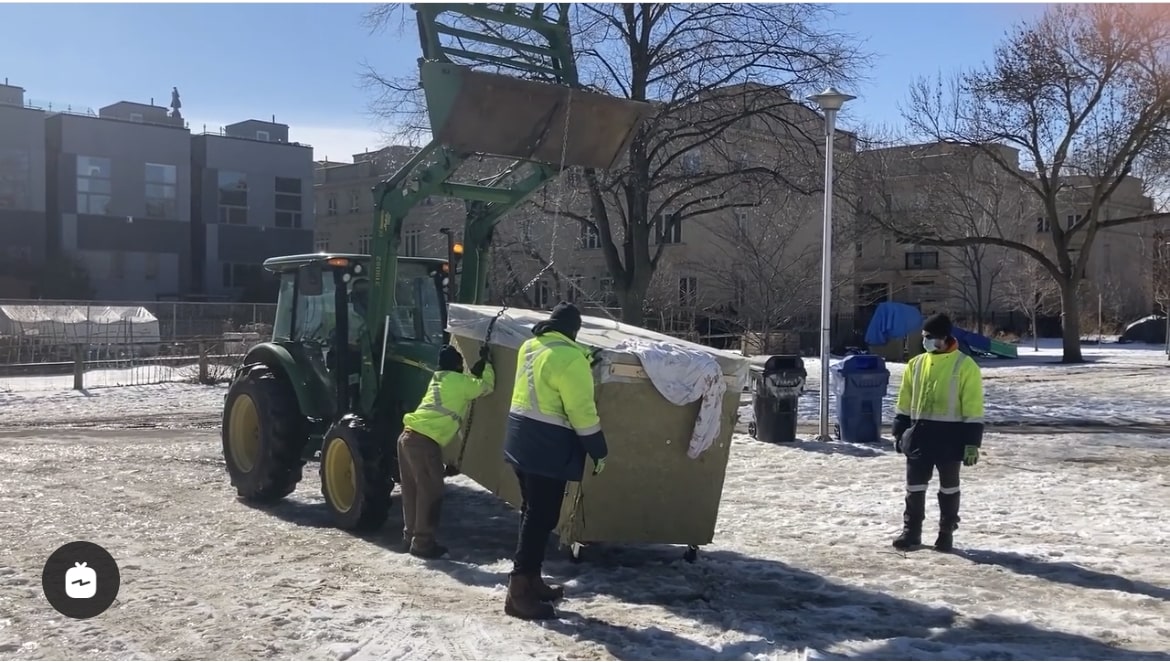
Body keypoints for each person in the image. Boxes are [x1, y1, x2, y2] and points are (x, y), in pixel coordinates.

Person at [502, 301, 608, 620]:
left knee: (533, 513)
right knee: (541, 516)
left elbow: (546, 380)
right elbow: (582, 413)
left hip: (520, 440)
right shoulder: (571, 358)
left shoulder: (530, 346)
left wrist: (580, 362)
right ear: (575, 332)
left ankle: (531, 579)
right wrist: (598, 450)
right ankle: (519, 591)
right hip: (547, 446)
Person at [891, 312, 985, 552]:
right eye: (924, 336)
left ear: (944, 338)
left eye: (929, 337)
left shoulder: (965, 366)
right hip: (920, 435)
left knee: (949, 487)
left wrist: (972, 443)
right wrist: (899, 432)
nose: (925, 341)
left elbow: (973, 407)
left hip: (951, 439)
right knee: (914, 487)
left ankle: (946, 533)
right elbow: (904, 401)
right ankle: (911, 533)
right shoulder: (916, 364)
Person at [398, 342, 495, 559]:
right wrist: (487, 364)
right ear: (458, 366)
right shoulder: (458, 381)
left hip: (407, 437)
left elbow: (464, 386)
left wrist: (472, 375)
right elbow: (487, 387)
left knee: (413, 491)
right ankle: (422, 544)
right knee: (431, 492)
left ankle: (410, 537)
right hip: (423, 441)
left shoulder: (438, 378)